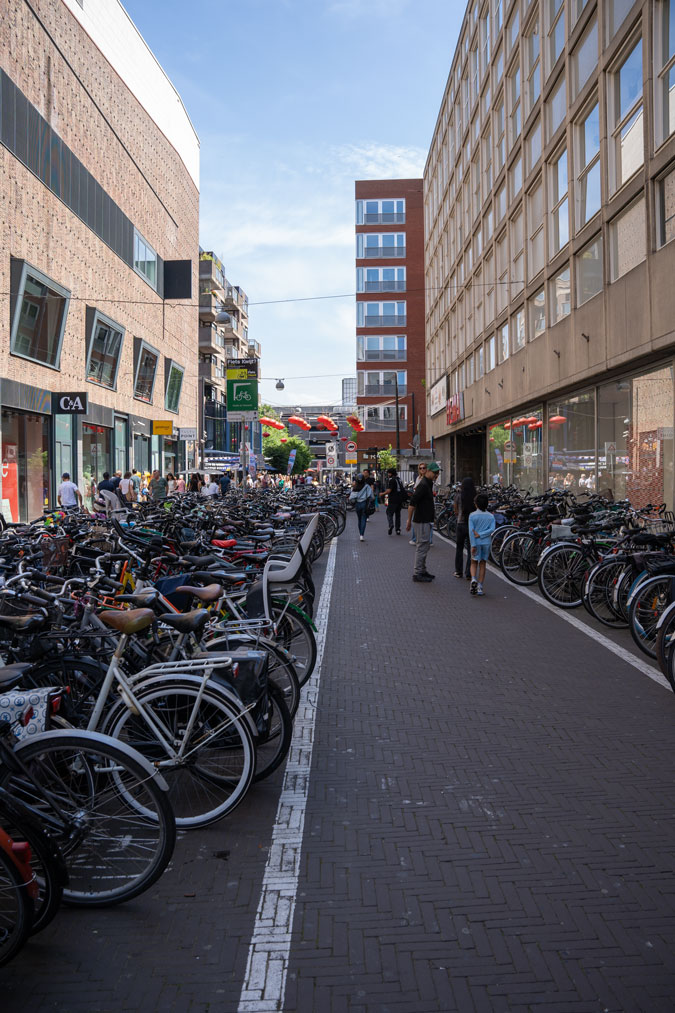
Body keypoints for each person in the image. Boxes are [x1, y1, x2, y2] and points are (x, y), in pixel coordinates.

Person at [406, 462, 440, 582]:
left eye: (438, 472)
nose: (437, 475)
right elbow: (412, 503)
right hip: (421, 520)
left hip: (425, 519)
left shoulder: (428, 484)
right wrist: (409, 520)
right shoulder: (423, 485)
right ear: (428, 471)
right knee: (421, 546)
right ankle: (418, 572)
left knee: (424, 546)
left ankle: (422, 570)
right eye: (435, 472)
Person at [469, 492, 496, 597]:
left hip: (476, 543)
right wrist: (482, 534)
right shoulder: (490, 516)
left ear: (476, 504)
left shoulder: (472, 516)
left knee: (473, 562)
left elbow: (471, 532)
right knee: (483, 563)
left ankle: (473, 579)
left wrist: (473, 544)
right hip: (486, 542)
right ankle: (480, 587)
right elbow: (492, 529)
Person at [454, 476, 476, 580]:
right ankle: (469, 572)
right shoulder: (475, 496)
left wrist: (459, 515)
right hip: (471, 525)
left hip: (460, 524)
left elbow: (455, 510)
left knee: (459, 548)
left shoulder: (458, 495)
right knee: (471, 550)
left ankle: (458, 571)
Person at [349, 473, 373, 541]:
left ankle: (360, 533)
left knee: (359, 519)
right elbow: (371, 496)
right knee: (363, 519)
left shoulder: (355, 487)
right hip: (364, 504)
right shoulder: (367, 486)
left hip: (357, 504)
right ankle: (362, 535)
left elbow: (351, 497)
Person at [385, 467, 407, 535]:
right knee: (398, 515)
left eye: (388, 473)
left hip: (393, 500)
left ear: (391, 473)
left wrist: (382, 493)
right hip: (399, 500)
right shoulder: (399, 479)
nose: (388, 474)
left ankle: (391, 525)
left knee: (389, 513)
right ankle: (398, 529)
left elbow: (389, 490)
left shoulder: (392, 480)